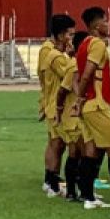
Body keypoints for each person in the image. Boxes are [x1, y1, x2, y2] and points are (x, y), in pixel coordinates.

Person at [71, 7, 110, 210]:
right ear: (97, 25)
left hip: (91, 104)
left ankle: (88, 197)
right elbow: (88, 73)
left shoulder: (84, 44)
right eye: (106, 21)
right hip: (96, 104)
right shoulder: (97, 44)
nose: (108, 25)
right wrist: (80, 97)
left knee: (91, 151)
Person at [37, 14, 76, 197]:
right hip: (56, 105)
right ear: (61, 35)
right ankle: (52, 182)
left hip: (53, 103)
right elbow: (67, 76)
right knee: (59, 144)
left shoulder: (55, 53)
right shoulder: (53, 54)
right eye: (70, 34)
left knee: (57, 144)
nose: (71, 38)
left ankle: (52, 182)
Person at [53, 30, 90, 202]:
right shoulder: (74, 65)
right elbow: (62, 91)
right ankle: (81, 192)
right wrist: (59, 110)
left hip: (75, 114)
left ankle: (74, 191)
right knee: (82, 153)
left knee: (76, 153)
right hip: (73, 116)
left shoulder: (79, 64)